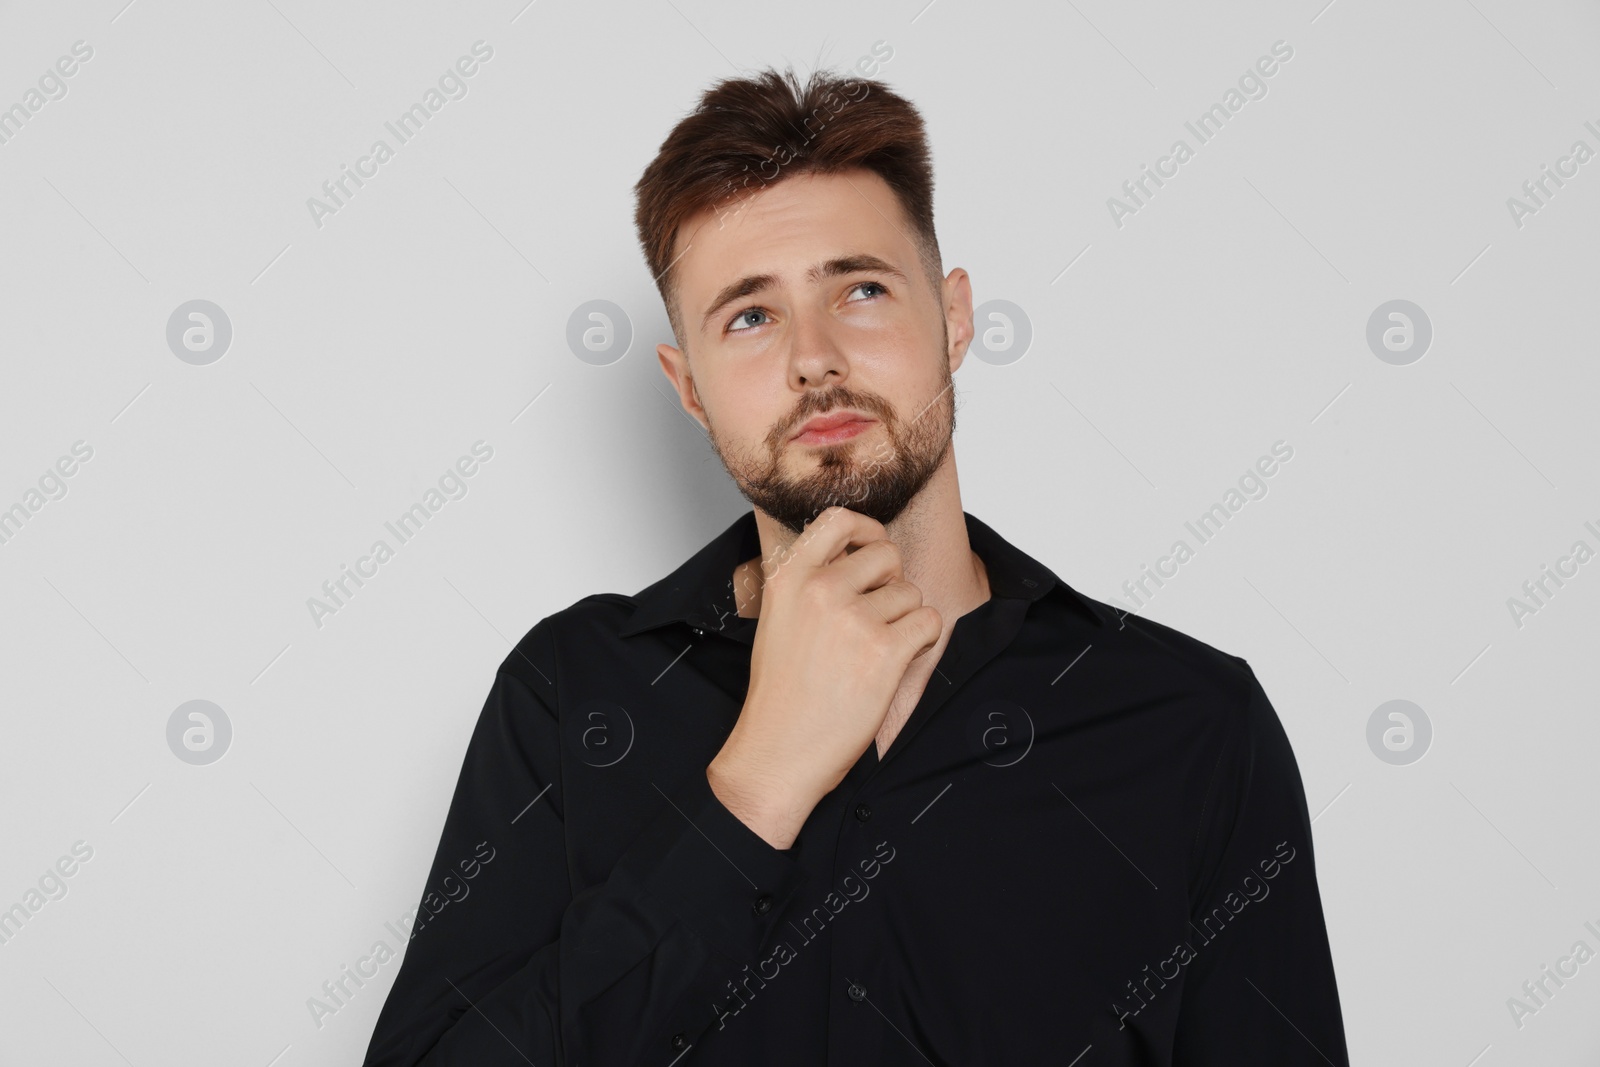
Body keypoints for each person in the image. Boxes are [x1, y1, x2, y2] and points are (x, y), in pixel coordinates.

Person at [362, 67, 1349, 1066]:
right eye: (750, 315)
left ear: (954, 317)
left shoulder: (1188, 723)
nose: (815, 355)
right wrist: (754, 784)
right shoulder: (571, 693)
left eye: (860, 289)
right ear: (689, 385)